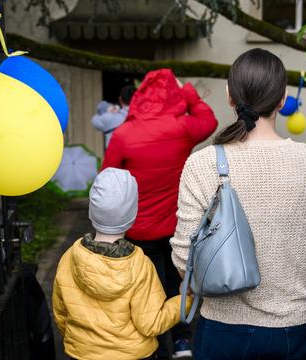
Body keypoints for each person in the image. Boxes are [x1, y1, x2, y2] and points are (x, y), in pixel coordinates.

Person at [170, 48, 306, 360]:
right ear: (283, 98)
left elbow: (184, 258)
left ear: (229, 96)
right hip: (295, 326)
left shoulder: (202, 164)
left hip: (222, 327)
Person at [101, 68, 218, 359]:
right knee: (176, 282)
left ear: (140, 97)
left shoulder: (124, 134)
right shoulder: (183, 128)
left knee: (143, 286)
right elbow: (210, 120)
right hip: (176, 227)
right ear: (173, 95)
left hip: (136, 230)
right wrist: (188, 91)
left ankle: (149, 345)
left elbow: (108, 179)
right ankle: (181, 342)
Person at [52, 168, 192, 360]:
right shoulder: (140, 264)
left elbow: (61, 312)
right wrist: (186, 299)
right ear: (131, 215)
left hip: (82, 354)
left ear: (92, 212)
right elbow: (151, 323)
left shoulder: (70, 257)